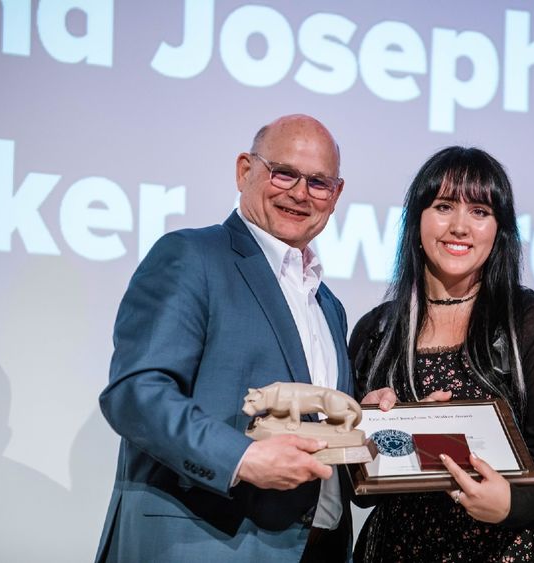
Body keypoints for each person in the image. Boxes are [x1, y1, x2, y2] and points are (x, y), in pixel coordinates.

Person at [95, 114, 354, 562]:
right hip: (203, 545)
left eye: (318, 182)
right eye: (284, 173)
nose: (299, 192)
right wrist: (242, 459)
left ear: (335, 195)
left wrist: (392, 426)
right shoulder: (192, 256)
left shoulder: (329, 306)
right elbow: (135, 393)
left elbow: (320, 432)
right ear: (244, 171)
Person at [350, 146, 534, 561]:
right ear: (416, 221)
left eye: (480, 211)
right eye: (443, 206)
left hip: (513, 546)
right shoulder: (378, 331)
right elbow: (357, 489)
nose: (460, 226)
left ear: (500, 228)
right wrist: (367, 431)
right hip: (399, 548)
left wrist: (512, 504)